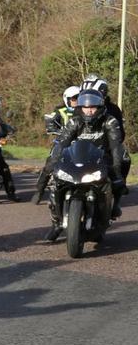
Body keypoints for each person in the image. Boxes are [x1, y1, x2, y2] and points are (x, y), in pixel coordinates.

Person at [40, 89, 125, 241]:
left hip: (101, 159)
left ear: (99, 107)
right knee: (56, 184)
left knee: (122, 162)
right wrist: (53, 164)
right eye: (86, 107)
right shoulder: (75, 121)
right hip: (76, 158)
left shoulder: (110, 121)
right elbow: (62, 142)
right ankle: (56, 224)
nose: (89, 110)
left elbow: (116, 146)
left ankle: (113, 206)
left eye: (93, 107)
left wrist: (117, 171)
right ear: (81, 107)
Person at [32, 86, 79, 204]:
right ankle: (39, 191)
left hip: (81, 142)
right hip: (63, 142)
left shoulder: (85, 110)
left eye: (79, 98)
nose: (77, 101)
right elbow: (52, 120)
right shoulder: (60, 110)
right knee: (51, 163)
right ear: (67, 99)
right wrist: (52, 127)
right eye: (74, 98)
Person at [80, 74, 130, 183]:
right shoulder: (79, 109)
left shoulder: (113, 109)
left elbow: (120, 133)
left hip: (105, 148)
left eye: (93, 94)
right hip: (81, 147)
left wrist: (112, 143)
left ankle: (119, 183)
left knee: (125, 158)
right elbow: (71, 127)